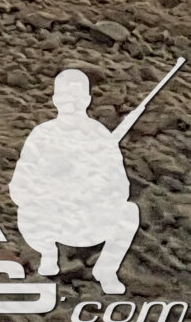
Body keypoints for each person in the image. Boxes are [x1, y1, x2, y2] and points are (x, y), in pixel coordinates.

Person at [11, 68, 144, 293]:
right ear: (55, 100)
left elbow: (121, 188)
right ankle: (48, 254)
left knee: (129, 211)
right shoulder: (42, 135)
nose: (71, 104)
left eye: (77, 98)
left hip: (88, 218)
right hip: (50, 218)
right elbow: (19, 186)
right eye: (65, 97)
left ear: (87, 100)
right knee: (28, 210)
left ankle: (106, 269)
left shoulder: (100, 136)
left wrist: (94, 186)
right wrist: (52, 188)